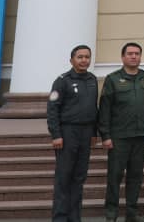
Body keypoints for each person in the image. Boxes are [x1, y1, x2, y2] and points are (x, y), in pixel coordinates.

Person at [100, 42, 144, 222]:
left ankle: (132, 213)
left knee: (135, 177)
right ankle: (111, 213)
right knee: (114, 176)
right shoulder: (112, 79)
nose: (134, 57)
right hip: (118, 137)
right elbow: (105, 109)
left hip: (139, 136)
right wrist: (105, 136)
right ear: (123, 57)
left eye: (137, 54)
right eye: (130, 54)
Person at [49, 44, 99, 222]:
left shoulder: (93, 79)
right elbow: (53, 109)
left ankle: (74, 217)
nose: (84, 60)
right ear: (72, 60)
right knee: (64, 177)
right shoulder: (62, 81)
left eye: (87, 57)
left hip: (86, 134)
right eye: (80, 57)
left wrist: (94, 132)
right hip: (68, 132)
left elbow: (94, 109)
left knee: (79, 177)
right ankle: (60, 218)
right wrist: (56, 135)